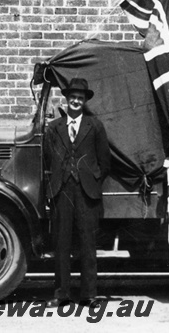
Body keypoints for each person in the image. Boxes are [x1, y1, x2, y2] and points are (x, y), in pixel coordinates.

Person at [43, 77, 111, 307]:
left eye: (80, 98)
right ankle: (61, 294)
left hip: (86, 192)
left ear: (84, 101)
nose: (76, 101)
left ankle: (88, 295)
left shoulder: (95, 126)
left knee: (87, 244)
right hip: (62, 191)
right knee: (61, 244)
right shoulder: (54, 128)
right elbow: (47, 159)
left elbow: (105, 161)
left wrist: (91, 180)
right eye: (72, 97)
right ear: (67, 99)